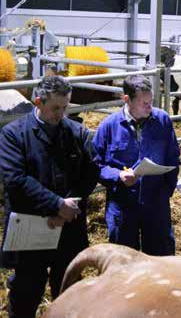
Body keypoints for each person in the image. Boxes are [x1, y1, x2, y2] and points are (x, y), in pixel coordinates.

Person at [0, 76, 100, 318]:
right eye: (56, 108)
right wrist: (56, 205)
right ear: (38, 102)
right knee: (26, 292)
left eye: (65, 107)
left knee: (68, 293)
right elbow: (16, 179)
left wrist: (69, 206)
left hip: (68, 226)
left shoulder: (76, 132)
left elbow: (90, 171)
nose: (61, 113)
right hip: (31, 226)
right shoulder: (13, 134)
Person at [93, 75, 180, 256]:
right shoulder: (109, 126)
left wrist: (166, 191)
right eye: (144, 103)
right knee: (124, 259)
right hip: (123, 205)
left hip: (156, 203)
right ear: (127, 100)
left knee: (160, 258)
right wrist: (117, 176)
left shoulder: (162, 120)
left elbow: (173, 157)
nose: (150, 107)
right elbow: (96, 164)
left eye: (151, 102)